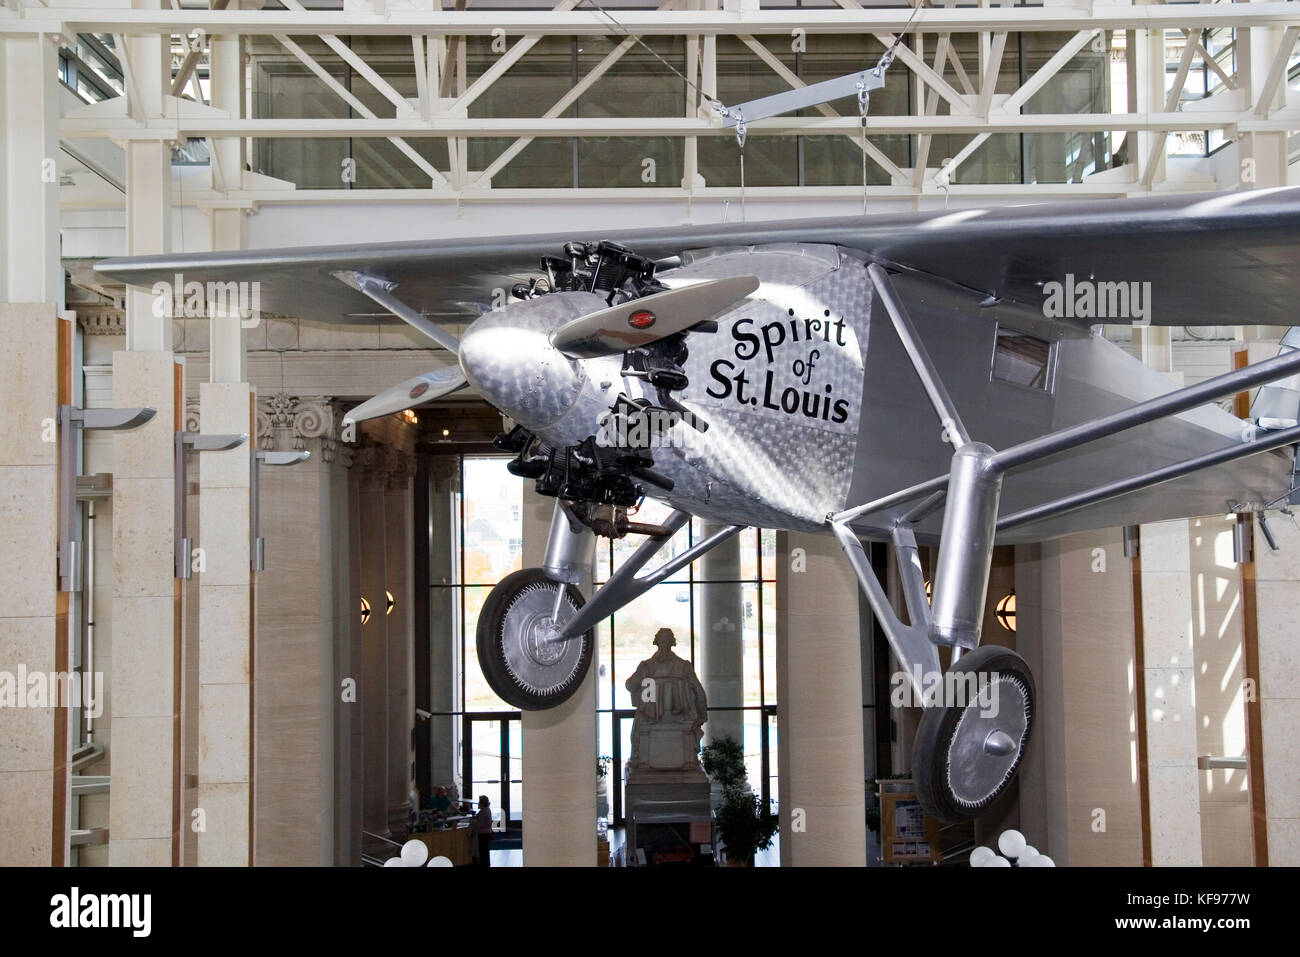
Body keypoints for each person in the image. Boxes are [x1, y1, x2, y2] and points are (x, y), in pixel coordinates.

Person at [472, 795, 494, 868]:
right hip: (487, 832)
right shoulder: (487, 809)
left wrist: (474, 822)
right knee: (485, 850)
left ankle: (483, 864)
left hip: (483, 833)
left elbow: (480, 824)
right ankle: (486, 863)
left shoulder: (483, 811)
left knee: (482, 850)